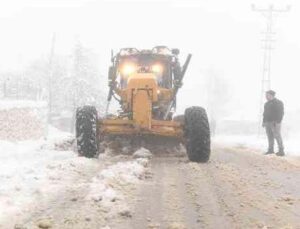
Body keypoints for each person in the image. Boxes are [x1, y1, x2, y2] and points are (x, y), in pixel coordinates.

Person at [262, 90, 285, 156]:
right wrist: (264, 122)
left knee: (277, 136)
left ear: (271, 95)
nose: (266, 96)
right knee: (270, 136)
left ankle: (281, 150)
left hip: (275, 122)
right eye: (265, 95)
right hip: (267, 122)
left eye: (267, 95)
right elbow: (264, 114)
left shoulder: (278, 102)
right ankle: (270, 150)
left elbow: (281, 113)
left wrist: (278, 121)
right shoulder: (266, 104)